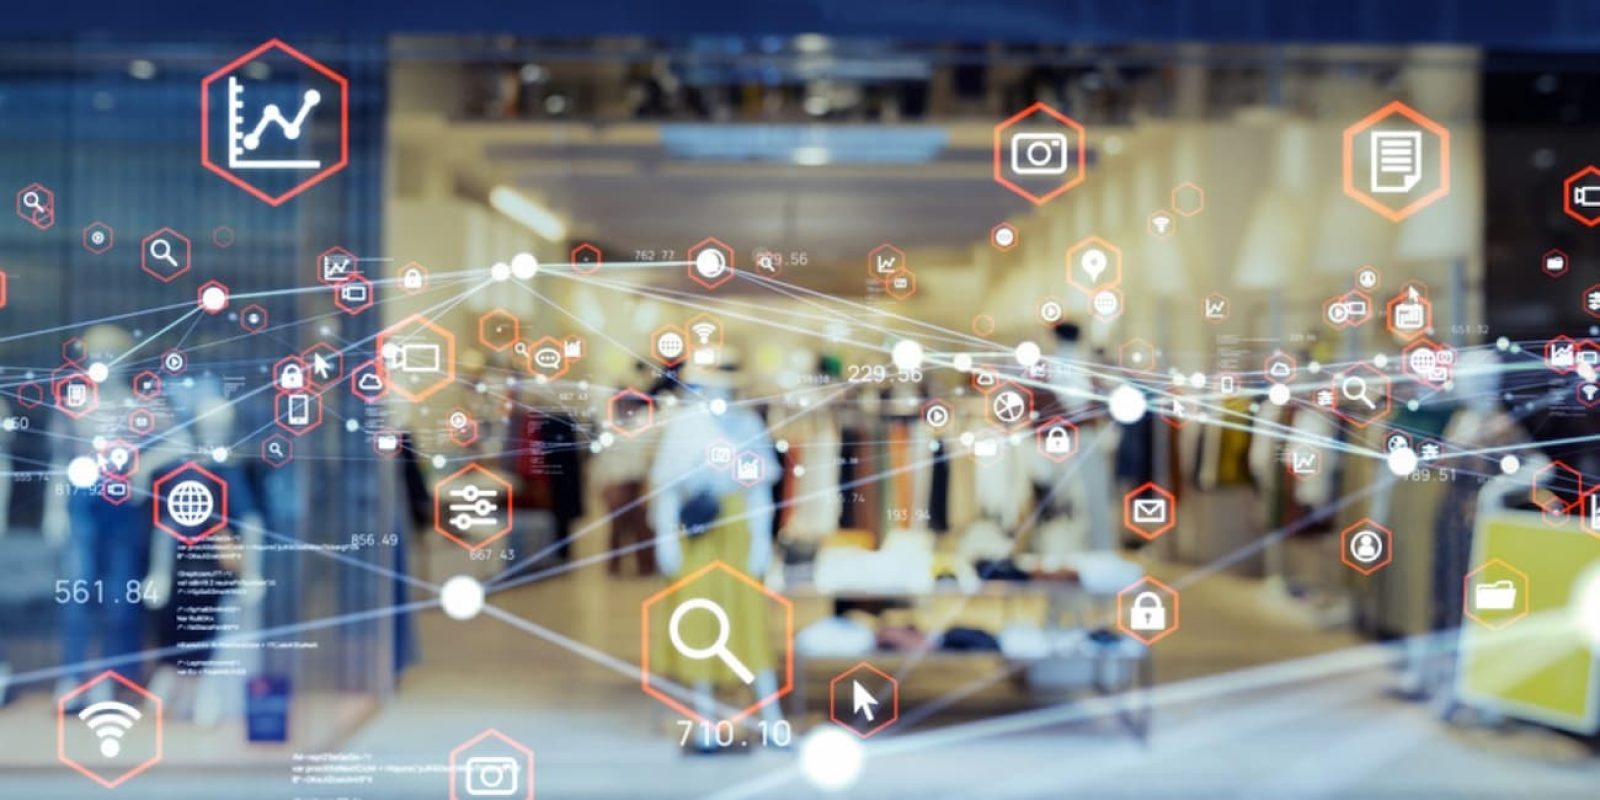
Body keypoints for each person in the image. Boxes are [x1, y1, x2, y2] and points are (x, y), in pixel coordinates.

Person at [647, 361, 784, 751]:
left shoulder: (747, 428)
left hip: (737, 535)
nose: (716, 398)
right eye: (709, 389)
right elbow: (668, 491)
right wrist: (665, 540)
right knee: (699, 624)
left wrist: (761, 542)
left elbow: (759, 491)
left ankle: (771, 718)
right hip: (697, 538)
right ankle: (705, 720)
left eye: (723, 389)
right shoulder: (684, 429)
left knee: (749, 622)